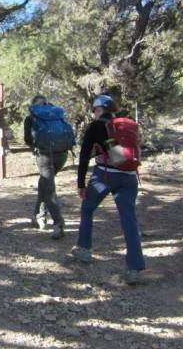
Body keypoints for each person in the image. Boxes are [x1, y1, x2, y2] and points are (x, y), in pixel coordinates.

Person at [72, 94, 146, 284]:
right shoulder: (125, 125)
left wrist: (80, 183)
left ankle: (84, 249)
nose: (94, 114)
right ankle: (135, 268)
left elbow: (83, 156)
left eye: (94, 110)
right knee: (129, 219)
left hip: (105, 175)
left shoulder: (97, 126)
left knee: (87, 208)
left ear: (98, 109)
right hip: (129, 177)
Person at [24, 94, 68, 239]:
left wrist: (35, 147)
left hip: (44, 155)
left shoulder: (31, 118)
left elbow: (27, 139)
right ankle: (39, 217)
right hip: (62, 154)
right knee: (45, 184)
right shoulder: (56, 115)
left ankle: (58, 223)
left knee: (49, 190)